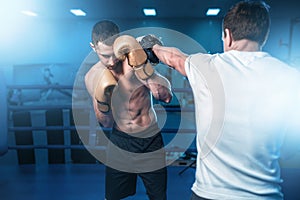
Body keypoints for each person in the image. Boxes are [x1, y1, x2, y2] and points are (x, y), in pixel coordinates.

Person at [152, 1, 300, 199]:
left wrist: (151, 45)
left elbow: (172, 57)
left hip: (209, 194)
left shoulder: (206, 66)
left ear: (228, 36)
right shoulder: (290, 77)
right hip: (264, 195)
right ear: (263, 36)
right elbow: (290, 151)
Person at [84, 20, 173, 200]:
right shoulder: (92, 77)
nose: (111, 61)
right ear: (93, 47)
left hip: (150, 140)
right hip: (120, 142)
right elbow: (107, 122)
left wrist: (143, 69)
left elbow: (165, 96)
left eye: (113, 55)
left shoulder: (134, 59)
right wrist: (103, 100)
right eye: (104, 55)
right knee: (112, 197)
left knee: (158, 197)